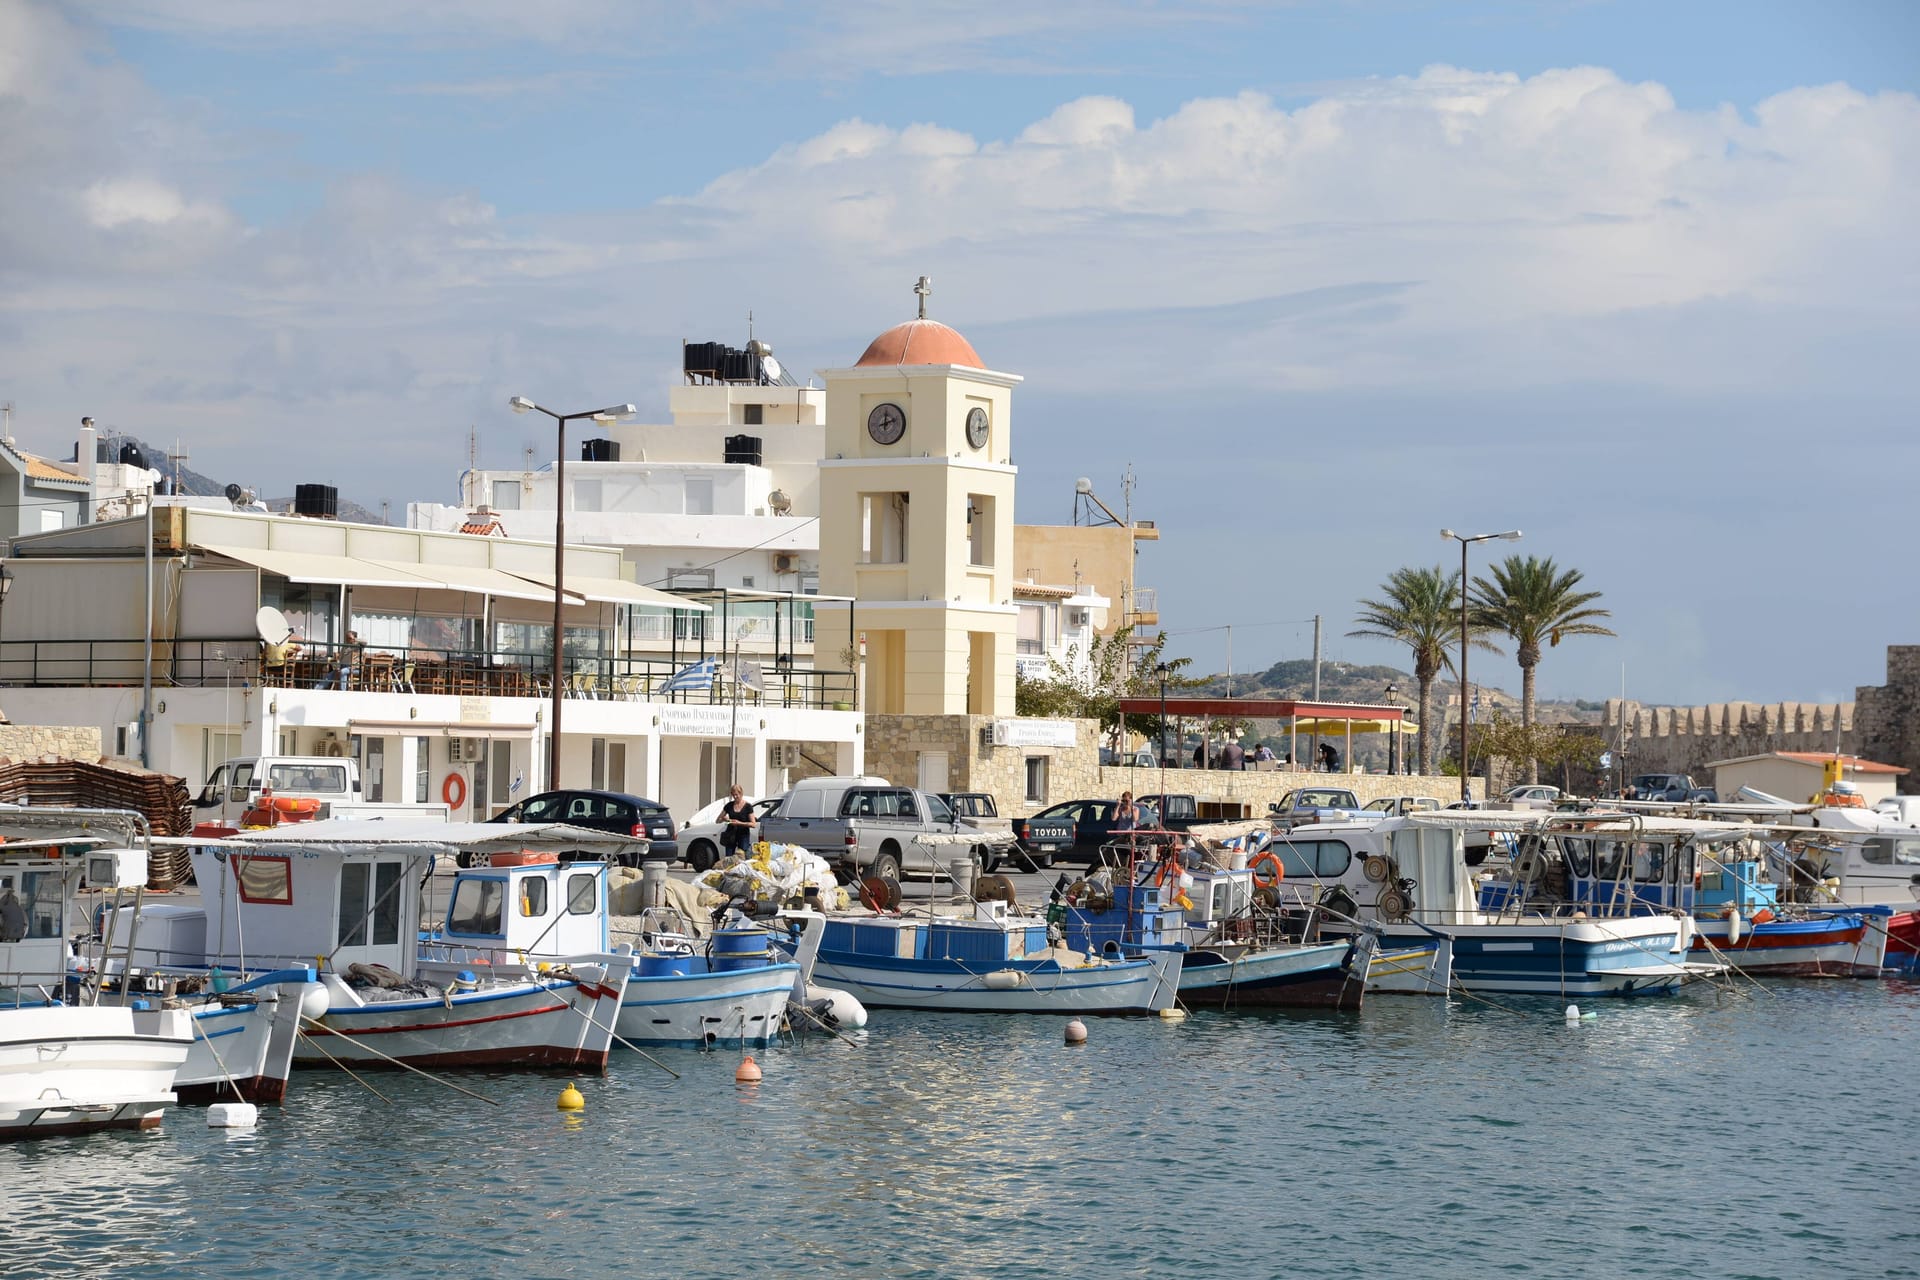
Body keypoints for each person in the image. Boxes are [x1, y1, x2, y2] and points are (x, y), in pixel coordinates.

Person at [719, 784, 757, 857]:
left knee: (742, 856)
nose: (735, 797)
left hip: (743, 835)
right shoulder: (729, 805)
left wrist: (740, 823)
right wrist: (726, 820)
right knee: (729, 857)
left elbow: (753, 824)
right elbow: (718, 820)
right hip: (730, 834)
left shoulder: (748, 806)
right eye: (733, 795)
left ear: (741, 793)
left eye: (736, 795)